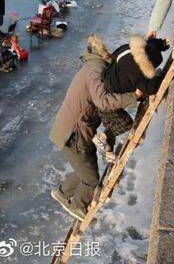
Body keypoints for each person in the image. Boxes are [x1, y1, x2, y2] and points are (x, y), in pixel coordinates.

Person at [49, 35, 140, 220]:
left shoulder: (92, 66)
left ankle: (62, 192)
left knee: (84, 169)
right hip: (74, 133)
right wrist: (133, 97)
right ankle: (77, 206)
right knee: (91, 180)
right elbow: (102, 100)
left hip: (69, 128)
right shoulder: (96, 70)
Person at [92, 35, 168, 161]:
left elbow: (148, 44)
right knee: (125, 123)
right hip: (111, 101)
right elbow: (150, 89)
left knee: (111, 125)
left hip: (103, 93)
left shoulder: (126, 49)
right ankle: (101, 138)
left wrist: (161, 44)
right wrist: (157, 76)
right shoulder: (138, 71)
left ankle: (108, 153)